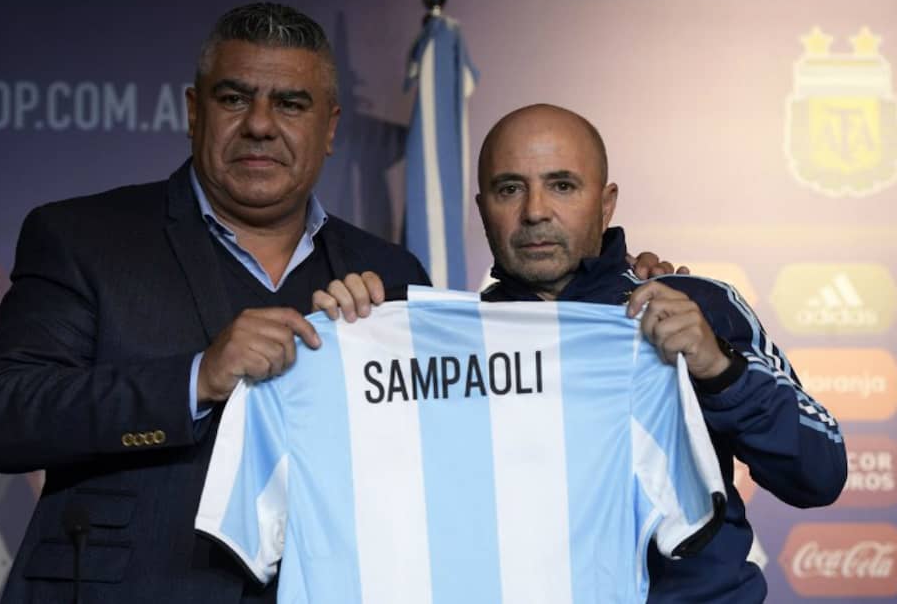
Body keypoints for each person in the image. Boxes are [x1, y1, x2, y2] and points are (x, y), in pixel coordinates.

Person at [0, 4, 674, 603]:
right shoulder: (84, 237)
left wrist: (618, 289)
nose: (260, 124)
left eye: (290, 104)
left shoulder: (390, 273)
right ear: (193, 111)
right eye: (234, 98)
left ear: (331, 127)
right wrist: (196, 378)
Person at [330, 103, 847, 603]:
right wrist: (350, 335)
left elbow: (819, 475)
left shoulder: (698, 306)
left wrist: (719, 369)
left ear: (606, 202)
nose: (535, 211)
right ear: (483, 209)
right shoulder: (443, 346)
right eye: (510, 189)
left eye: (562, 185)